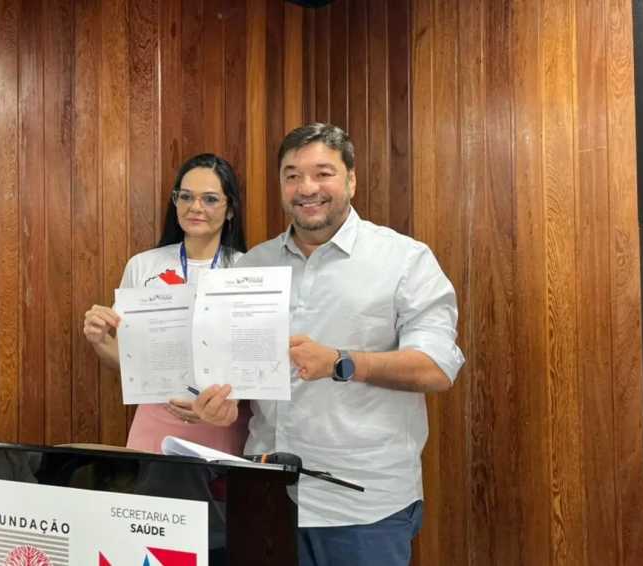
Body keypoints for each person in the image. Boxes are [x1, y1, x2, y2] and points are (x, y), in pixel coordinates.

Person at [192, 123, 465, 566]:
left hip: (363, 509)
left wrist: (342, 361)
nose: (307, 188)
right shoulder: (252, 265)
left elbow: (436, 368)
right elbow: (234, 373)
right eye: (292, 175)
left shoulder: (405, 260)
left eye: (323, 173)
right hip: (264, 498)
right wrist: (225, 402)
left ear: (351, 179)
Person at [83, 153, 252, 455]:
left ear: (230, 210)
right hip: (155, 420)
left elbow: (257, 362)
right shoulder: (143, 266)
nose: (195, 207)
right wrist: (98, 340)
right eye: (185, 196)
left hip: (221, 421)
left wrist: (228, 401)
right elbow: (129, 361)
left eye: (211, 199)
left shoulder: (248, 270)